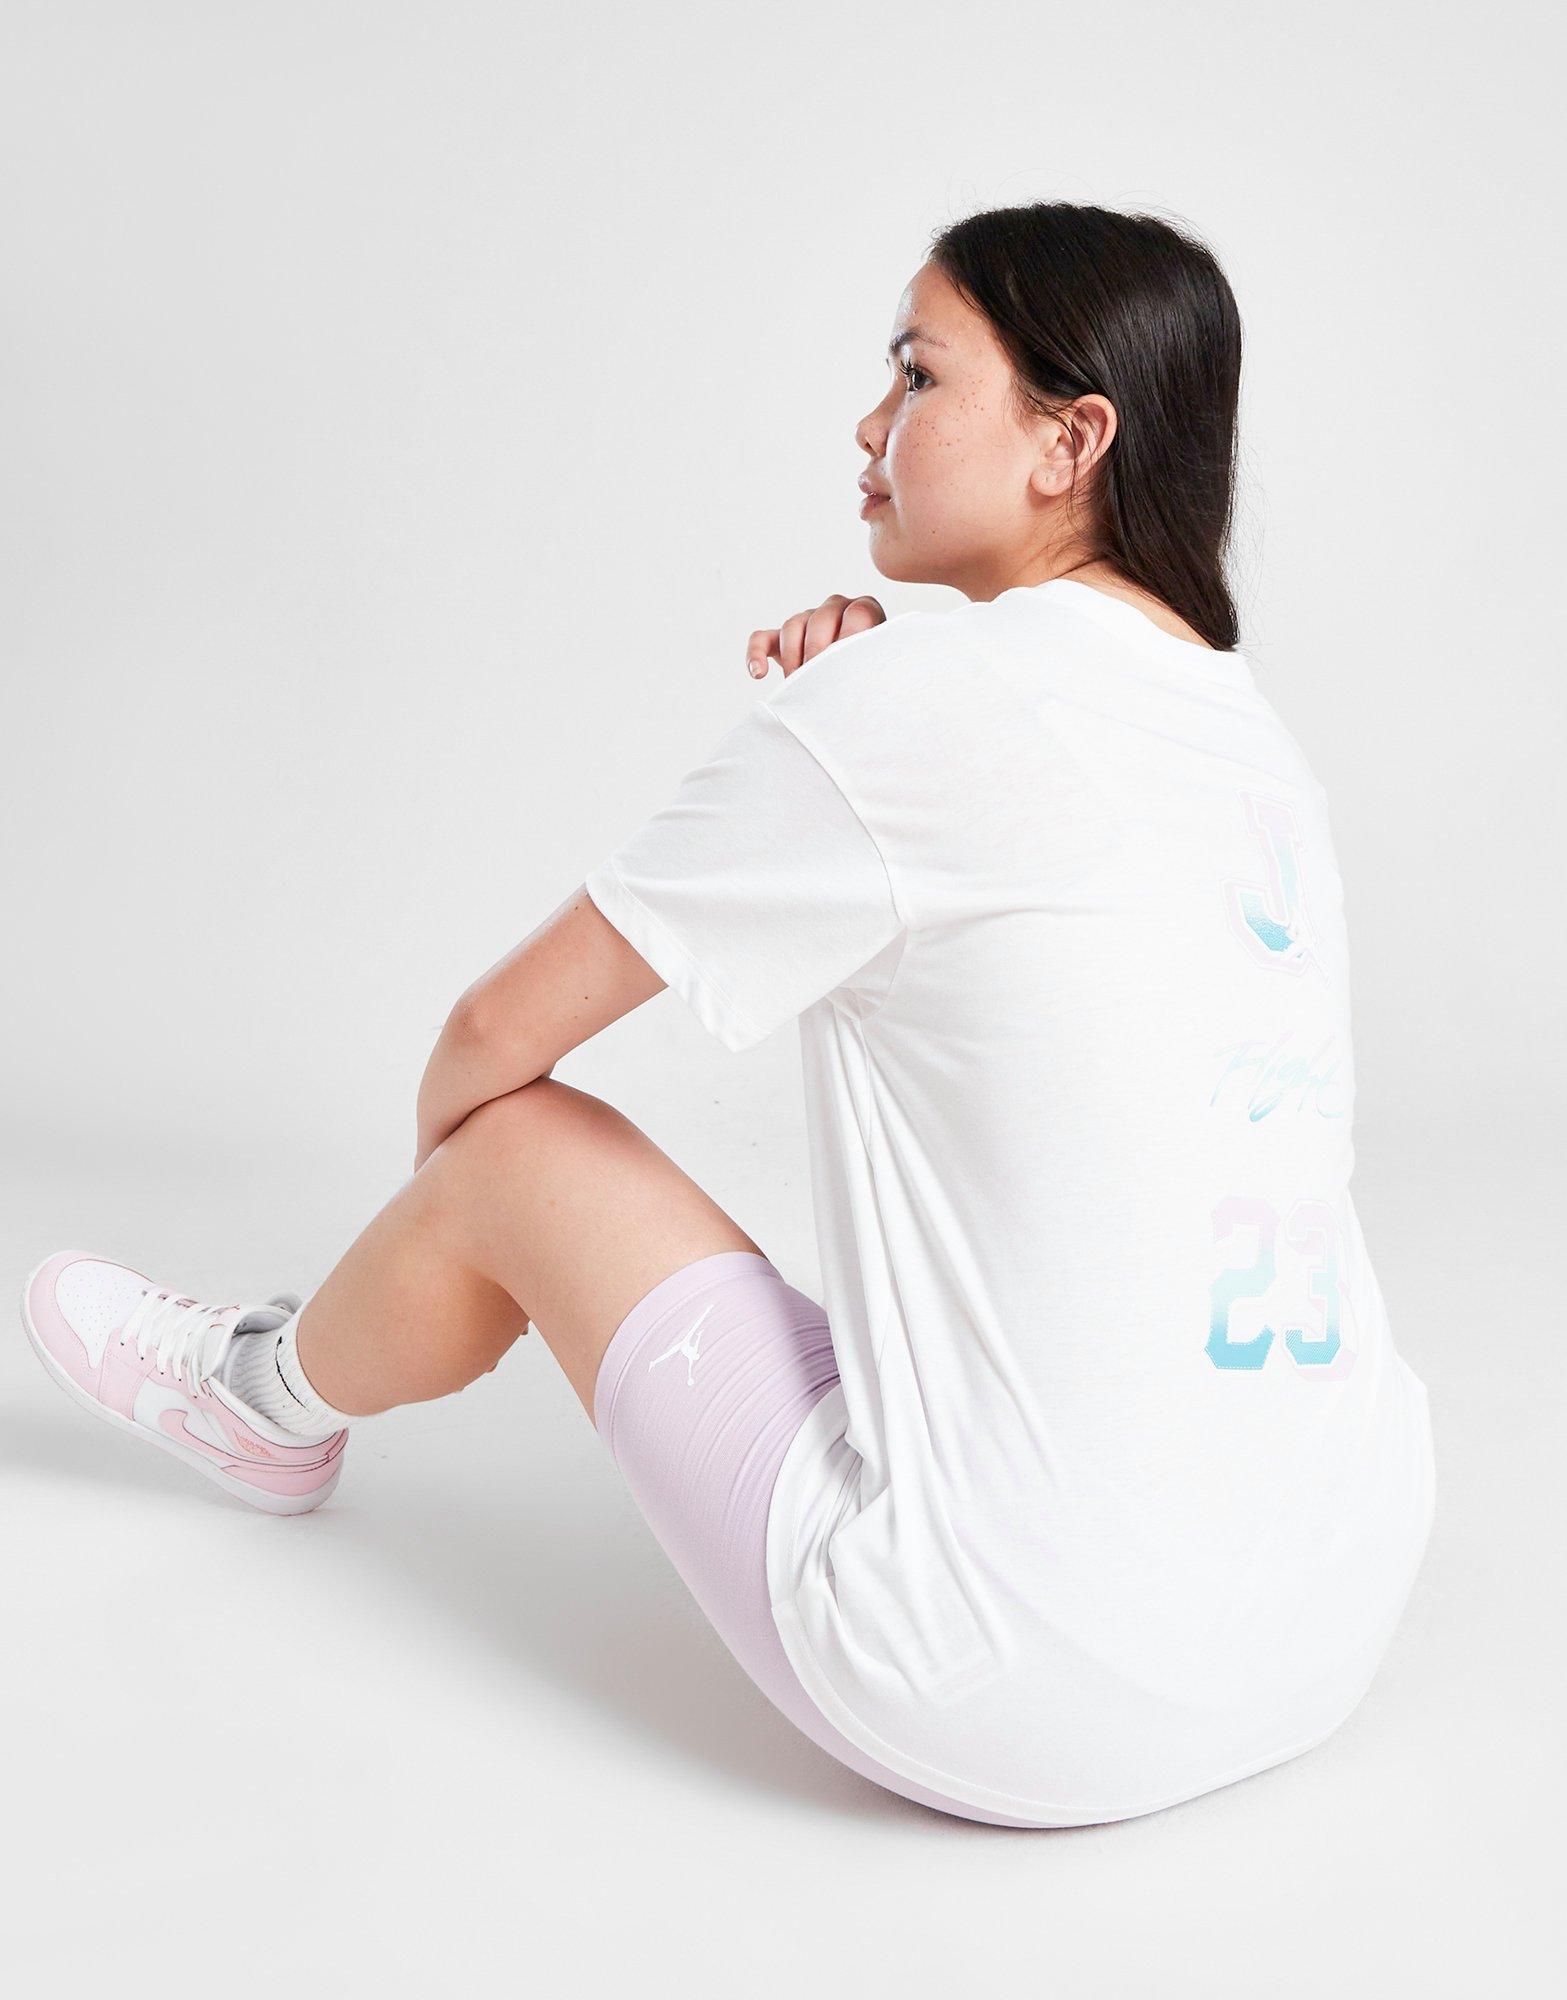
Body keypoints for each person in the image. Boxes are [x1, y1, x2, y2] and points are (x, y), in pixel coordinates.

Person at [21, 199, 1436, 1829]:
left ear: (1072, 440)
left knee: (510, 1147)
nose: (870, 422)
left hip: (1025, 1687)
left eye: (918, 373)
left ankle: (267, 1399)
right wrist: (865, 706)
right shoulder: (1253, 746)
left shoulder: (915, 703)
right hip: (1335, 1616)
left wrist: (463, 1224)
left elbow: (492, 1040)